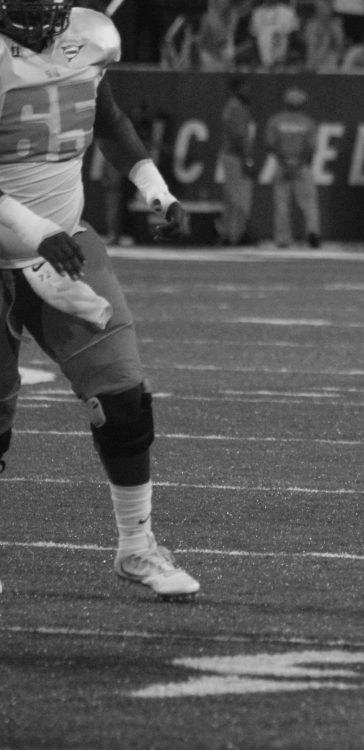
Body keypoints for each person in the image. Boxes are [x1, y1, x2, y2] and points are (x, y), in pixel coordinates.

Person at [0, 0, 200, 600]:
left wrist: (154, 189)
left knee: (124, 398)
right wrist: (38, 234)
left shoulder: (88, 36)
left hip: (65, 244)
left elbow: (104, 118)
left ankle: (137, 549)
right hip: (33, 241)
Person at [264, 87, 321, 249]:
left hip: (282, 165)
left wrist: (284, 163)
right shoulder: (307, 122)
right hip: (301, 166)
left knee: (282, 203)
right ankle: (313, 232)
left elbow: (270, 145)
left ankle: (283, 238)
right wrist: (298, 164)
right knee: (309, 201)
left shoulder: (276, 121)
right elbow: (310, 148)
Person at [218, 76, 255, 246]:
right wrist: (247, 159)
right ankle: (235, 235)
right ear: (236, 89)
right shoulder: (237, 107)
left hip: (230, 155)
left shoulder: (231, 106)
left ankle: (228, 234)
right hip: (235, 156)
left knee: (232, 196)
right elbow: (239, 136)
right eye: (245, 87)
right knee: (239, 198)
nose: (248, 91)